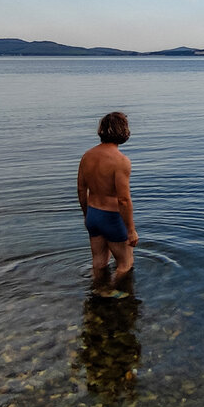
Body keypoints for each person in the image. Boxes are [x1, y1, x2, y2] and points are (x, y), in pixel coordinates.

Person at [77, 112, 138, 281]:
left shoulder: (87, 156)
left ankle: (96, 293)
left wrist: (86, 215)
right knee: (125, 264)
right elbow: (123, 200)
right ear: (123, 131)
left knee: (99, 262)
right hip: (112, 217)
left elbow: (81, 190)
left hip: (93, 214)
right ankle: (112, 294)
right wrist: (131, 231)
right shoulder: (121, 161)